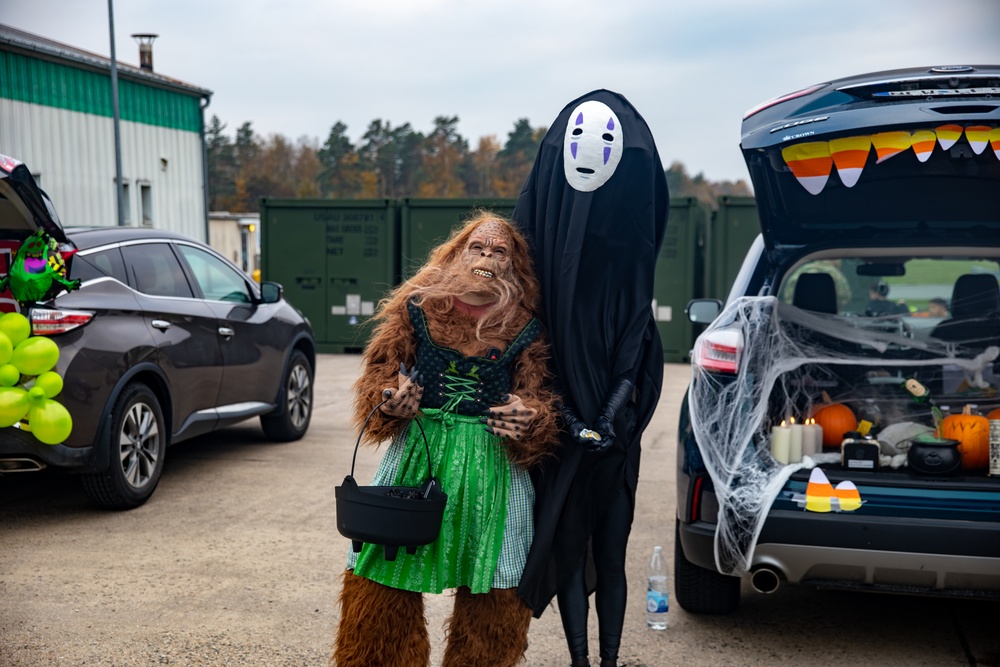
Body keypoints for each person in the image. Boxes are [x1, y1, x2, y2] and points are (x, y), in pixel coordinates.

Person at [331, 213, 560, 667]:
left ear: (514, 266)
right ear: (458, 252)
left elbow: (538, 397)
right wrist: (389, 398)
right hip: (421, 451)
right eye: (478, 247)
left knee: (499, 578)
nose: (487, 257)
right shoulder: (417, 308)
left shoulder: (527, 326)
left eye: (500, 251)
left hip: (494, 467)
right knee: (383, 567)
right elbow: (379, 375)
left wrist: (529, 419)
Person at [513, 90, 668, 667]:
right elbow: (536, 349)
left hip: (613, 437)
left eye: (607, 143)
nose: (592, 151)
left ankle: (607, 661)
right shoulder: (542, 279)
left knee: (612, 550)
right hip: (567, 434)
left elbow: (634, 346)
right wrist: (573, 421)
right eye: (581, 141)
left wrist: (606, 419)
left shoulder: (627, 276)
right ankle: (582, 660)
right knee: (570, 546)